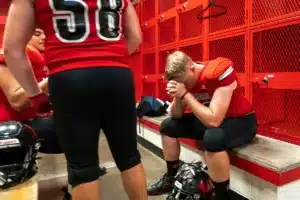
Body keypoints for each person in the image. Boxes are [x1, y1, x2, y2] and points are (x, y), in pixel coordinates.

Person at [3, 1, 146, 200]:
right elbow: (135, 37)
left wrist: (35, 94)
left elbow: (12, 49)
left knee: (83, 167)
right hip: (117, 73)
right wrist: (108, 58)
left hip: (69, 75)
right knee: (129, 157)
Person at [147, 51, 257, 200]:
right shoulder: (184, 79)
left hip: (240, 121)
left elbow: (214, 121)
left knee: (212, 138)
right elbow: (176, 116)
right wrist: (178, 97)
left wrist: (185, 95)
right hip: (210, 119)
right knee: (168, 126)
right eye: (180, 83)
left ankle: (222, 196)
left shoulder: (217, 73)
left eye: (185, 81)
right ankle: (171, 179)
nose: (183, 85)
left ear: (192, 68)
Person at [0, 28, 61, 154]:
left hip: (33, 119)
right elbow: (18, 102)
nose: (43, 37)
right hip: (10, 127)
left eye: (46, 33)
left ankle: (86, 168)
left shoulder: (40, 56)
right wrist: (57, 76)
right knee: (70, 127)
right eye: (37, 34)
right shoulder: (6, 58)